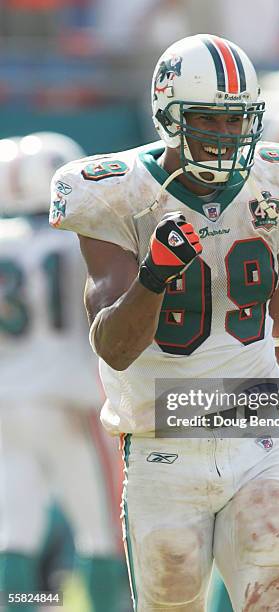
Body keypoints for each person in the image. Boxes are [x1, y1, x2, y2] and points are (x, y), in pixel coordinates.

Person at [50, 34, 279, 611]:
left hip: (258, 434)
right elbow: (114, 348)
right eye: (209, 119)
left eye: (237, 120)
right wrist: (154, 277)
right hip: (161, 443)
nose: (227, 136)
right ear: (169, 115)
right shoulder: (115, 192)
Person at [0, 133, 124, 612]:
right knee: (99, 532)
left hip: (8, 401)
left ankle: (22, 605)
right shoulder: (75, 244)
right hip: (69, 399)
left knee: (15, 531)